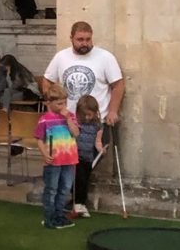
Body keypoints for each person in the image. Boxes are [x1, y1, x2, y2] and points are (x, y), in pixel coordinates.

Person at [40, 21, 124, 124]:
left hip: (97, 120)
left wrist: (113, 111)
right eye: (80, 39)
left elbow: (118, 85)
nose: (85, 43)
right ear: (71, 38)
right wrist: (52, 106)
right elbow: (47, 81)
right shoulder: (61, 57)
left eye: (88, 39)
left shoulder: (106, 57)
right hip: (67, 120)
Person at [34, 83, 79, 229]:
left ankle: (60, 215)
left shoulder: (70, 116)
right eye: (59, 103)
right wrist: (44, 154)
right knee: (51, 189)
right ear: (49, 103)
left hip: (69, 159)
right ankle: (49, 217)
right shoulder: (45, 119)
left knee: (65, 188)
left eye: (64, 103)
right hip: (53, 161)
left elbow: (76, 133)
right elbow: (39, 138)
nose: (62, 106)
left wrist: (68, 119)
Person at [72, 94, 104, 218]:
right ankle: (77, 203)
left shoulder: (98, 126)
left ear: (95, 113)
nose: (86, 117)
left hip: (88, 158)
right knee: (78, 179)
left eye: (89, 114)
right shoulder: (77, 122)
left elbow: (98, 142)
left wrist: (101, 150)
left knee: (85, 181)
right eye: (83, 114)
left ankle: (82, 203)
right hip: (76, 156)